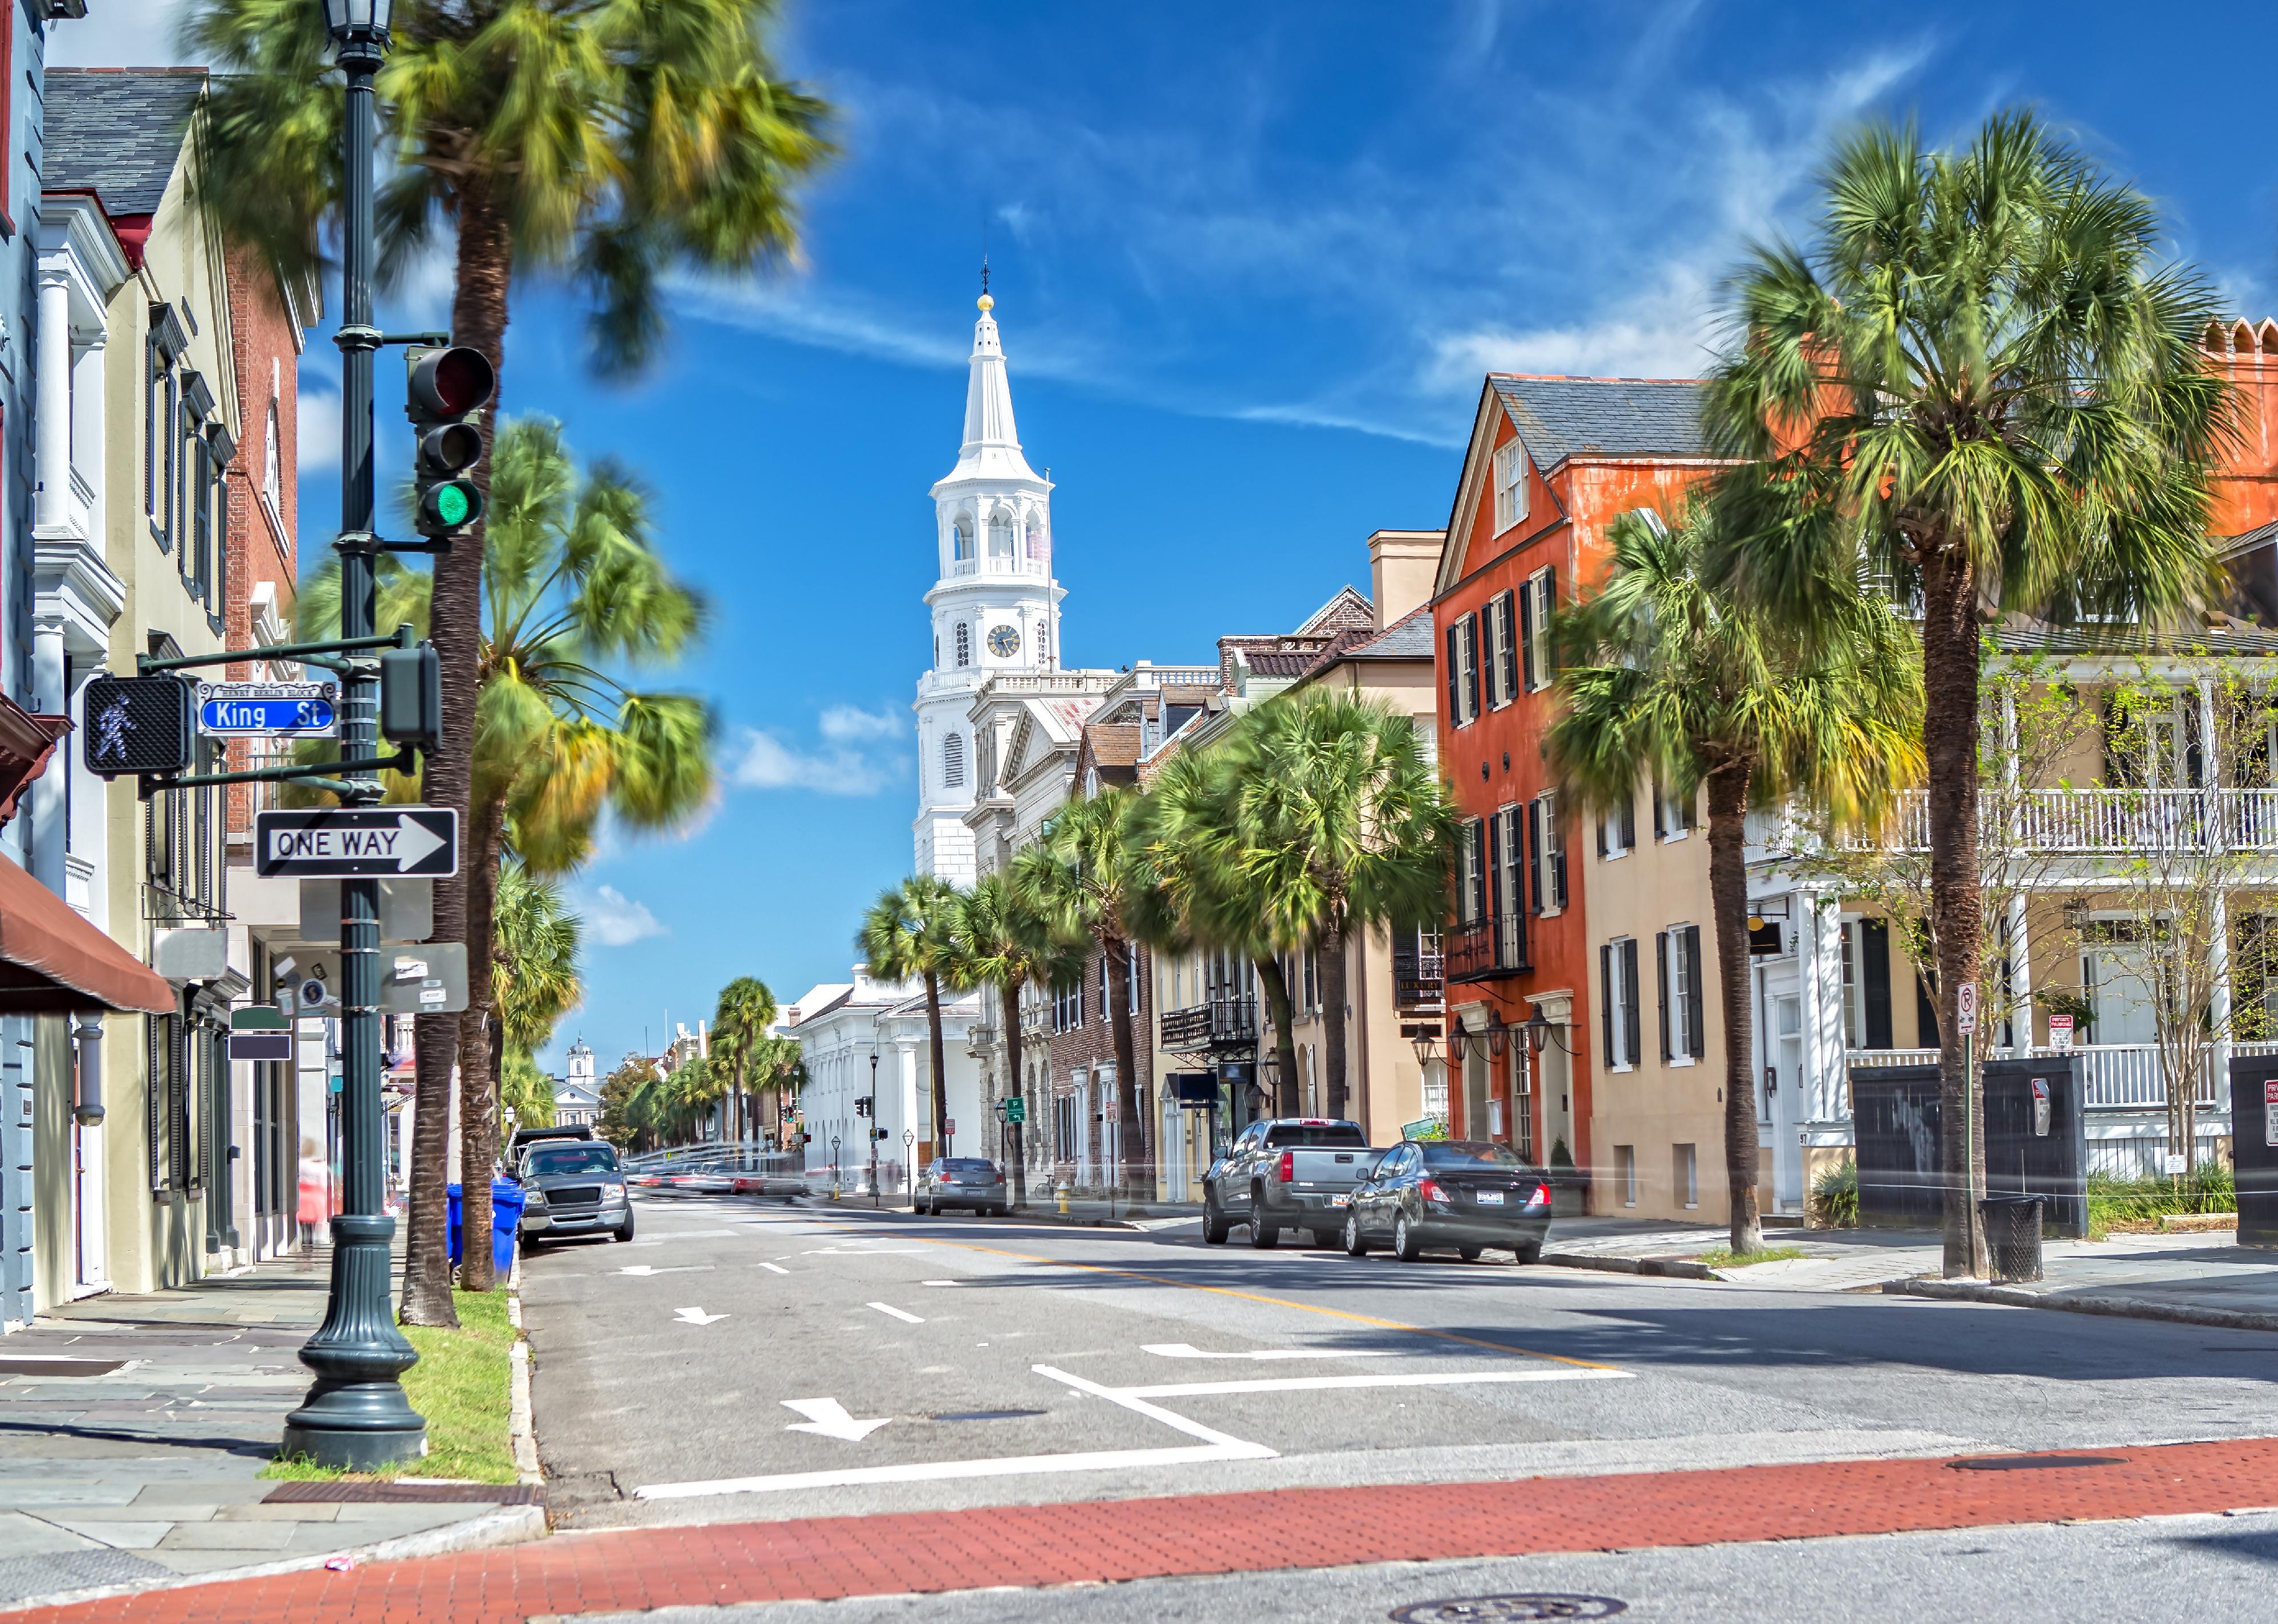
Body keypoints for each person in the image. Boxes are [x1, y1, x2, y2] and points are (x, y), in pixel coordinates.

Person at [296, 1140, 329, 1266]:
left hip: (302, 1195)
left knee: (302, 1225)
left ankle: (304, 1248)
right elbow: (322, 1182)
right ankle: (310, 1251)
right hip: (314, 1197)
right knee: (312, 1226)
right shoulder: (319, 1165)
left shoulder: (300, 1163)